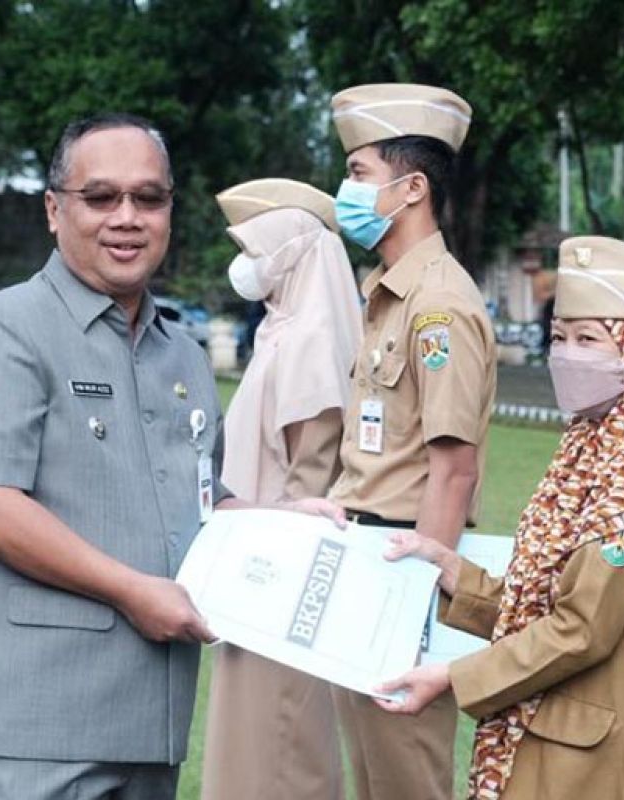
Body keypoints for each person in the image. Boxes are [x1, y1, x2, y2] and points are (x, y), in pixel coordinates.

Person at [0, 114, 340, 799]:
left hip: (146, 733)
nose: (127, 218)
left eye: (149, 198)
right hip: (24, 736)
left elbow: (198, 500)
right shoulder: (7, 327)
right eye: (101, 197)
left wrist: (282, 520)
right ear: (54, 210)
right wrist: (133, 591)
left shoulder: (183, 354)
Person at [374, 235, 624, 800]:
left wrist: (452, 677)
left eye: (589, 339)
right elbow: (550, 601)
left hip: (618, 762)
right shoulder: (594, 443)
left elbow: (582, 629)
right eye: (559, 337)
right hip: (582, 744)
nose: (567, 354)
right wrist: (454, 574)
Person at [325, 82, 497, 800]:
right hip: (364, 559)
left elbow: (452, 470)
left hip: (403, 569)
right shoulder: (389, 292)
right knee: (372, 776)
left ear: (412, 187)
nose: (346, 190)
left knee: (405, 779)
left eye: (360, 174)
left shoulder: (439, 306)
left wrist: (415, 606)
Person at [201, 179, 362, 800]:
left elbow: (310, 479)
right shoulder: (280, 328)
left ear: (292, 253)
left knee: (279, 744)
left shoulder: (309, 341)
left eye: (255, 249)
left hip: (285, 581)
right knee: (250, 743)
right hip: (255, 568)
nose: (244, 266)